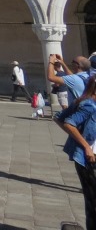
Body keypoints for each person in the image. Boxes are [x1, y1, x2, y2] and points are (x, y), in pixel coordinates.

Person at [56, 74, 96, 229]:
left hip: (88, 155)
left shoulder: (83, 101)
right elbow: (68, 123)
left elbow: (60, 118)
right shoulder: (89, 105)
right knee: (93, 199)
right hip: (88, 158)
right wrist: (85, 145)